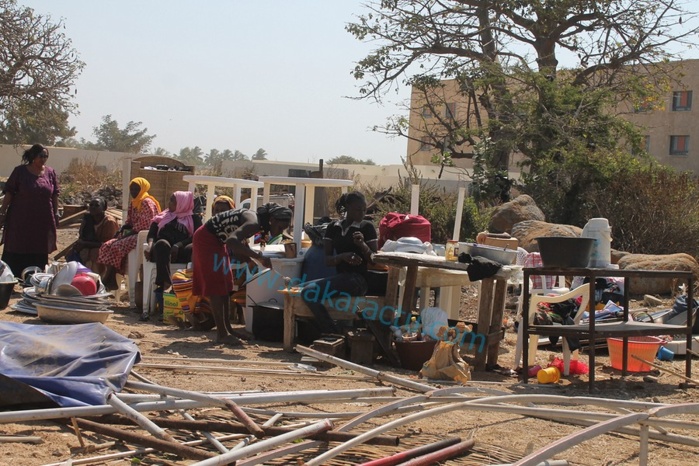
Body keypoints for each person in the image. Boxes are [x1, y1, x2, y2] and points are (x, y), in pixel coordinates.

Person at [191, 203, 290, 345]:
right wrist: (258, 257)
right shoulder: (253, 222)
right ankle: (221, 334)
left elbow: (236, 241)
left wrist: (250, 258)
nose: (279, 232)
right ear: (271, 220)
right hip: (206, 240)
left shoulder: (255, 222)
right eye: (279, 227)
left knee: (225, 283)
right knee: (216, 286)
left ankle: (228, 330)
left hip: (217, 242)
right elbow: (232, 241)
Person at [300, 191, 378, 335]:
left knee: (308, 292)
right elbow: (328, 261)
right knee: (298, 289)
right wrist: (343, 257)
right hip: (342, 278)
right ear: (347, 208)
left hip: (358, 280)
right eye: (357, 209)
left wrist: (362, 245)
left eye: (364, 210)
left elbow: (374, 259)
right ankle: (328, 331)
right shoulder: (333, 227)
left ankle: (331, 333)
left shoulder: (366, 227)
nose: (361, 213)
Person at [0, 144, 61, 277]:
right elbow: (9, 193)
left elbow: (55, 194)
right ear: (33, 156)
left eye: (46, 156)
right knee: (18, 243)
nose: (44, 159)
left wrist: (56, 212)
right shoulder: (20, 172)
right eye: (41, 156)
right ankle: (11, 276)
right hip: (20, 217)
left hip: (42, 218)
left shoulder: (50, 172)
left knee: (38, 245)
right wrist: (2, 211)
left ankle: (34, 276)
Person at [142, 191, 201, 320]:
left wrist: (178, 245)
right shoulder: (163, 216)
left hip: (181, 252)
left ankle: (191, 285)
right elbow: (152, 234)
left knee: (193, 248)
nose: (169, 203)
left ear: (182, 203)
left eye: (172, 201)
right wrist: (150, 246)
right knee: (162, 244)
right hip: (162, 253)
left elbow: (197, 237)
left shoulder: (193, 218)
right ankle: (166, 285)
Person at [98, 177, 161, 290]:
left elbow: (145, 225)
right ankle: (111, 277)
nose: (133, 192)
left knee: (117, 246)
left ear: (143, 189)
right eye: (132, 189)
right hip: (133, 234)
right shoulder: (134, 203)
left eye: (136, 189)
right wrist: (121, 230)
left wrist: (127, 235)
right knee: (106, 246)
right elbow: (130, 221)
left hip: (143, 235)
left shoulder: (147, 202)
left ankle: (107, 279)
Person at [69, 197, 119, 275]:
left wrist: (85, 244)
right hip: (91, 245)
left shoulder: (109, 222)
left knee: (94, 254)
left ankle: (96, 279)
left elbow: (109, 243)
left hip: (108, 249)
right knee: (72, 253)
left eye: (96, 205)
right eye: (91, 205)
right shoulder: (88, 219)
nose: (93, 207)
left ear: (104, 208)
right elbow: (82, 236)